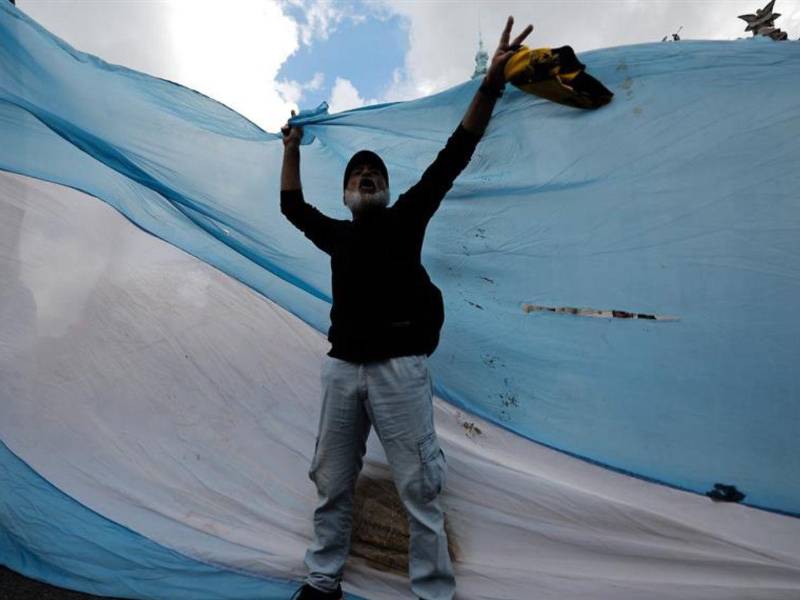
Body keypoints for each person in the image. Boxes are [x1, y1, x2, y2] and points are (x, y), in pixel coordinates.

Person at [282, 17, 533, 600]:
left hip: (399, 370)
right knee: (331, 481)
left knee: (419, 485)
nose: (365, 174)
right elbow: (292, 207)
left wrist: (491, 83)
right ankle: (322, 583)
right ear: (345, 194)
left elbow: (455, 153)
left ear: (389, 190)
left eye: (374, 172)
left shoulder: (407, 218)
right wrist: (291, 149)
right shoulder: (337, 236)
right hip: (342, 370)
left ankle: (433, 593)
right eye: (356, 173)